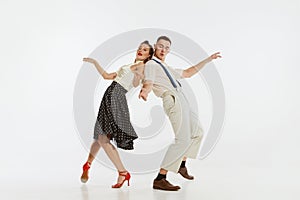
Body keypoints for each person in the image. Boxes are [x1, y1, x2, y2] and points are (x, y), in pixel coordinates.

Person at [139, 36, 221, 191]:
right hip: (172, 99)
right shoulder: (151, 64)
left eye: (167, 48)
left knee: (197, 132)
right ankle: (160, 178)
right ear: (155, 46)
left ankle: (182, 165)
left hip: (182, 99)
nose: (163, 50)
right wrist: (145, 91)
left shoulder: (165, 67)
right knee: (182, 140)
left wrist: (207, 60)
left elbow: (189, 73)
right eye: (161, 46)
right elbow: (148, 81)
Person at [80, 40, 154, 188]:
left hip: (117, 97)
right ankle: (87, 165)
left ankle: (122, 172)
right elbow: (107, 76)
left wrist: (139, 78)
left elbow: (134, 83)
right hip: (109, 95)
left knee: (103, 139)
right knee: (100, 136)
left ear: (148, 55)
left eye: (145, 50)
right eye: (140, 48)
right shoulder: (127, 65)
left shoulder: (142, 66)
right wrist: (95, 62)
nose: (141, 50)